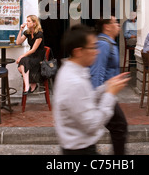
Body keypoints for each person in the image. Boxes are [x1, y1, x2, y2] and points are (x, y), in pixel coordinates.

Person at [53, 24, 130, 155]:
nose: (97, 51)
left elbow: (85, 99)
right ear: (78, 51)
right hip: (80, 150)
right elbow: (92, 124)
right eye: (93, 47)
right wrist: (110, 94)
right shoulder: (74, 82)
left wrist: (107, 86)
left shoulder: (74, 71)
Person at [89, 16, 128, 155]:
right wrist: (97, 97)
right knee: (119, 127)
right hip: (103, 93)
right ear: (107, 26)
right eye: (115, 22)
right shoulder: (104, 44)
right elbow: (97, 72)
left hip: (108, 93)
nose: (118, 25)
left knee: (117, 127)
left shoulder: (109, 43)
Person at [16, 15, 45, 95]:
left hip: (38, 57)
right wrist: (21, 30)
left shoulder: (39, 34)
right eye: (27, 21)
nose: (26, 23)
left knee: (23, 61)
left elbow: (33, 49)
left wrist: (22, 56)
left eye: (29, 21)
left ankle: (28, 86)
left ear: (34, 23)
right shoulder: (28, 32)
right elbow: (18, 42)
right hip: (31, 56)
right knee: (21, 66)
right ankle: (30, 84)